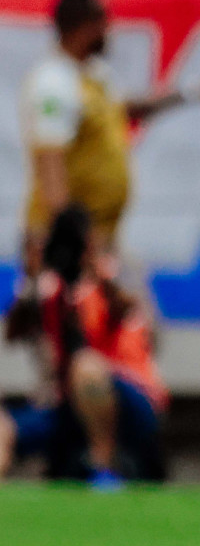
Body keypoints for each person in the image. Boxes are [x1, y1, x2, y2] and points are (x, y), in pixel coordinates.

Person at [19, 0, 200, 266]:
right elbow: (50, 165)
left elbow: (131, 109)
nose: (109, 30)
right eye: (102, 22)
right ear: (82, 28)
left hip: (96, 237)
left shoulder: (94, 74)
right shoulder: (53, 83)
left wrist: (195, 91)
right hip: (65, 244)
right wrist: (73, 235)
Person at [4, 206, 166, 487]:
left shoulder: (110, 276)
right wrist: (34, 277)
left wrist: (95, 273)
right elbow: (14, 332)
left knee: (86, 368)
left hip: (131, 395)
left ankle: (104, 468)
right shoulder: (49, 291)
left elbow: (137, 318)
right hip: (69, 404)